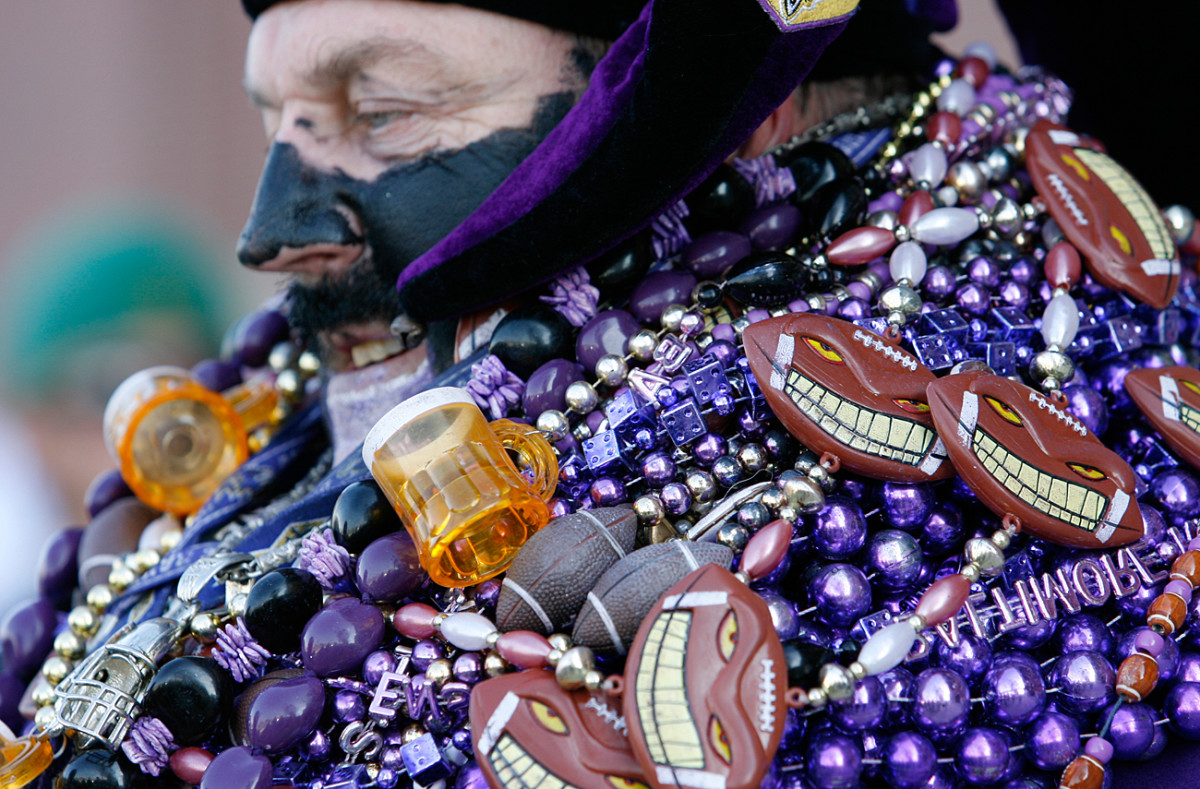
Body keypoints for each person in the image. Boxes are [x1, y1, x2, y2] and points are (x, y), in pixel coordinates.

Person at [4, 1, 1200, 788]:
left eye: (385, 114)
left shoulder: (1022, 549)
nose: (272, 236)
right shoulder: (279, 445)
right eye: (281, 122)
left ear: (738, 114)